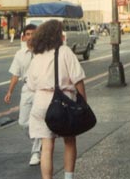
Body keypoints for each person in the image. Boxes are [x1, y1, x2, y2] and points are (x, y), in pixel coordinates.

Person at [26, 19, 87, 179]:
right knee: (69, 141)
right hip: (63, 102)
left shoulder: (37, 55)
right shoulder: (64, 51)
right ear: (56, 35)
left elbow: (31, 85)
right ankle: (68, 177)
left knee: (46, 146)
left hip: (40, 103)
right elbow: (78, 79)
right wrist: (83, 103)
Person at [4, 24, 42, 166]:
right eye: (28, 34)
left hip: (41, 89)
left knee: (38, 120)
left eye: (33, 33)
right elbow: (16, 74)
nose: (31, 36)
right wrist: (10, 91)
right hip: (27, 89)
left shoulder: (44, 51)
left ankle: (36, 152)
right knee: (23, 122)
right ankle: (40, 141)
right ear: (24, 36)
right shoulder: (20, 54)